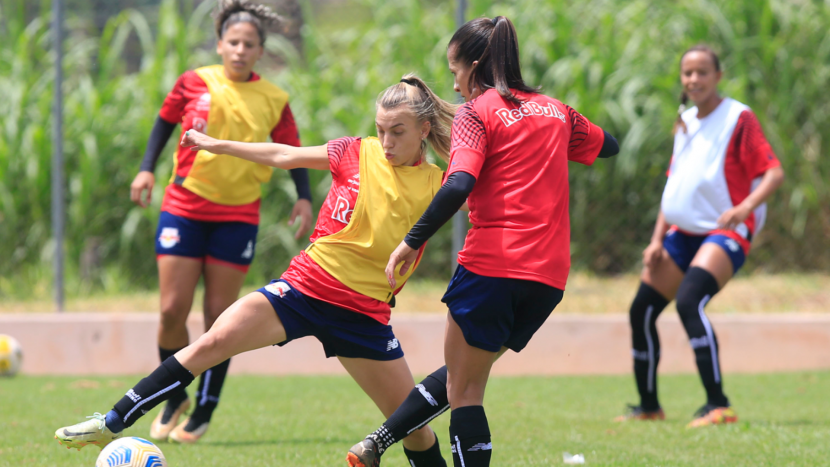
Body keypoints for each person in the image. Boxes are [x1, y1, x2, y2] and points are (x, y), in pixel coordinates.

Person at [56, 74, 455, 467]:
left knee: (414, 428)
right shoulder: (354, 151)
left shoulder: (441, 184)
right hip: (302, 290)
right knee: (210, 345)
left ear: (423, 129)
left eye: (397, 132)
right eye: (381, 130)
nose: (386, 143)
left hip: (364, 315)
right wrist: (218, 145)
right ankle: (110, 422)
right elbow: (283, 155)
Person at [347, 16, 619, 467]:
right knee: (463, 375)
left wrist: (411, 242)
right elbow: (608, 145)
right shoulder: (556, 111)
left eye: (455, 73)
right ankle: (376, 442)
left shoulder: (478, 112)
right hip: (547, 278)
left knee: (466, 390)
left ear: (474, 66)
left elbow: (457, 185)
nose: (454, 87)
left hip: (493, 266)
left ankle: (377, 443)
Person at [127, 0, 314, 444]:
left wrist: (305, 197)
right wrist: (146, 166)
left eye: (249, 44)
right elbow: (163, 123)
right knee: (172, 310)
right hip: (184, 207)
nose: (240, 50)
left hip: (238, 215)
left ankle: (205, 407)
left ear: (259, 50)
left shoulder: (273, 98)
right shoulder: (194, 81)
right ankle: (174, 396)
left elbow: (292, 149)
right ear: (219, 44)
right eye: (233, 42)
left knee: (219, 317)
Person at [614, 45, 784, 428]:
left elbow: (773, 173)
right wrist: (657, 239)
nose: (694, 79)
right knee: (641, 311)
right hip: (680, 233)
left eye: (702, 72)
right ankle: (648, 407)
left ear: (718, 76)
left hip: (724, 233)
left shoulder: (738, 117)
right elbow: (675, 187)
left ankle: (718, 405)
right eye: (687, 73)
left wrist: (744, 208)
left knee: (690, 301)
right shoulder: (685, 120)